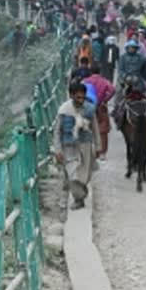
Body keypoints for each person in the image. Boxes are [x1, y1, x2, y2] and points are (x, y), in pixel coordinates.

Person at [53, 81, 101, 209]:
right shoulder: (64, 111)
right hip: (69, 146)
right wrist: (57, 150)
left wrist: (98, 146)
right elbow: (57, 131)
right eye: (78, 97)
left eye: (83, 97)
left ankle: (81, 196)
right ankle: (79, 198)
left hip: (86, 145)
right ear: (71, 95)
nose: (81, 100)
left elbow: (95, 128)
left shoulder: (90, 109)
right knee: (73, 175)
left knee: (84, 176)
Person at [84, 65, 115, 161]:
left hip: (88, 107)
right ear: (99, 72)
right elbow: (112, 90)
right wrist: (105, 100)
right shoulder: (104, 81)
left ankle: (89, 152)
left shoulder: (86, 81)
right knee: (103, 130)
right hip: (101, 107)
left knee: (87, 128)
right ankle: (102, 153)